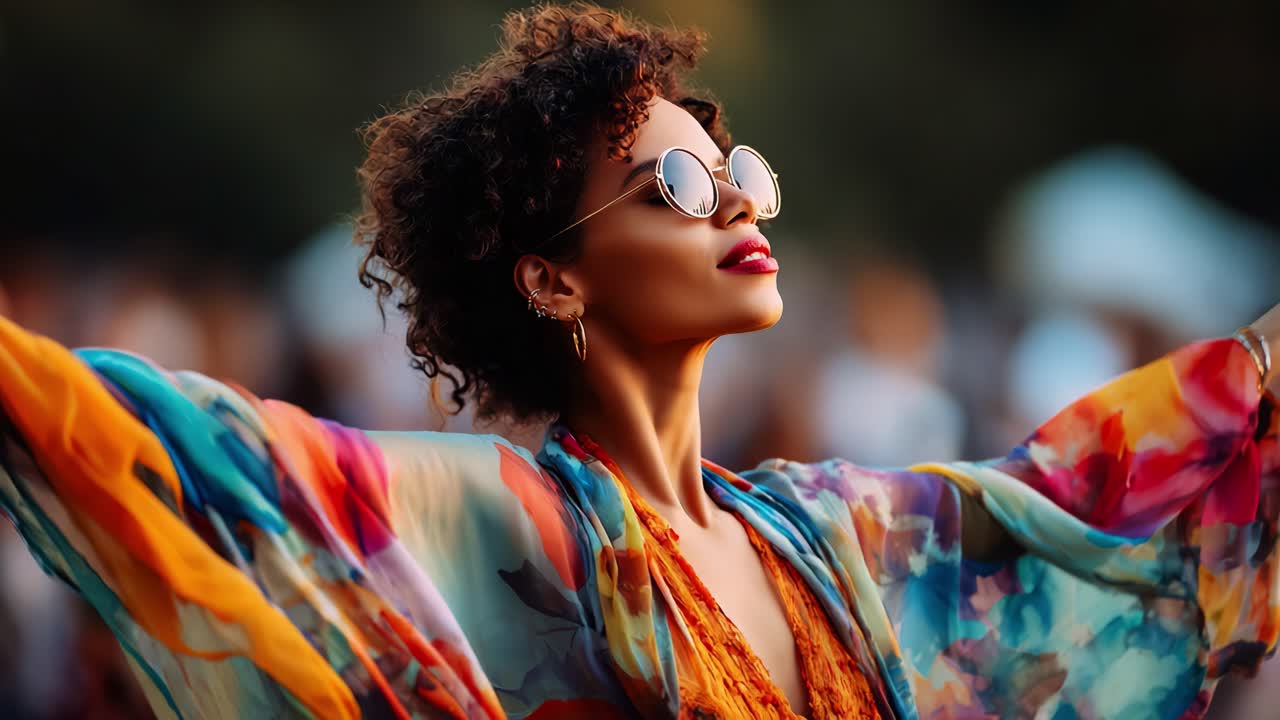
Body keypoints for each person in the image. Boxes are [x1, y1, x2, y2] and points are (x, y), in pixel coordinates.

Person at [0, 4, 1277, 719]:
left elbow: (1080, 496)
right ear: (553, 276)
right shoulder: (511, 523)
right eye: (672, 182)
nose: (732, 205)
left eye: (736, 174)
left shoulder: (826, 538)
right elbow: (194, 446)